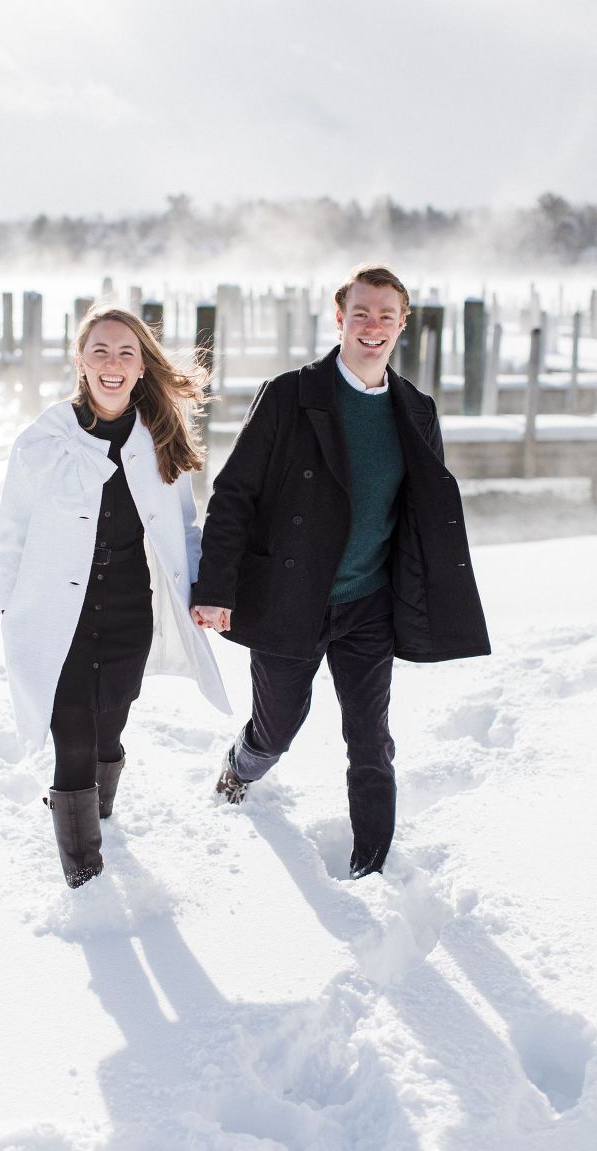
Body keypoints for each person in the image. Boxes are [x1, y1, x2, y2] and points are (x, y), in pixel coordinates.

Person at [191, 264, 490, 880]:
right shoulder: (289, 394)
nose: (372, 326)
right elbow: (234, 493)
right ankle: (240, 766)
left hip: (369, 603)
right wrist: (217, 586)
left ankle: (371, 867)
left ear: (403, 324)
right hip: (289, 599)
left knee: (370, 738)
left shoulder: (416, 410)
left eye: (386, 314)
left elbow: (422, 512)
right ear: (340, 319)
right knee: (277, 731)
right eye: (361, 313)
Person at [0, 306, 230, 888]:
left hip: (130, 611)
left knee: (110, 727)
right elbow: (11, 536)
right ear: (80, 360)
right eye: (100, 351)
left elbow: (184, 526)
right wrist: (10, 613)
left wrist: (202, 588)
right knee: (71, 735)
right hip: (58, 617)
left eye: (126, 353)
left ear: (142, 365)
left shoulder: (160, 437)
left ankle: (94, 816)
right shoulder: (43, 441)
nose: (113, 364)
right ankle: (85, 876)